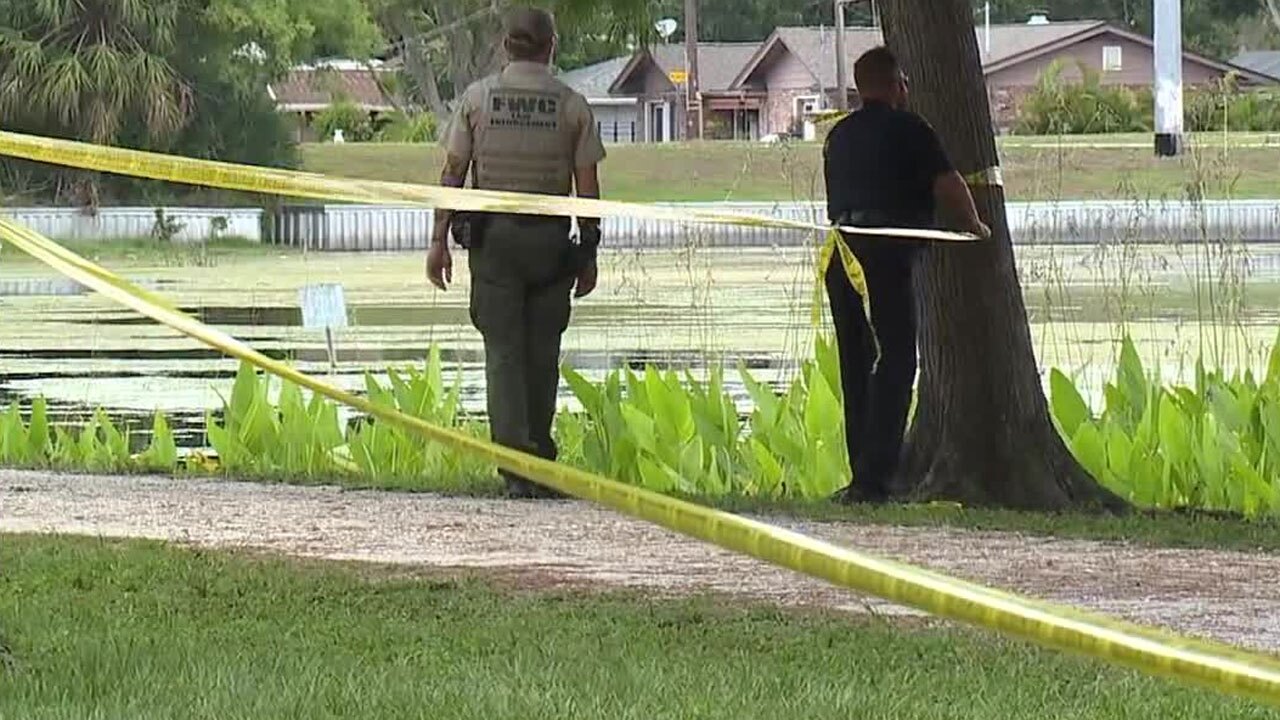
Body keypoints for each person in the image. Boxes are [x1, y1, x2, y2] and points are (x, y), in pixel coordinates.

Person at [426, 6, 605, 499]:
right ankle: (539, 460)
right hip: (551, 244)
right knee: (543, 353)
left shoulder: (478, 99)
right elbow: (587, 189)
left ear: (506, 47)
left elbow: (452, 173)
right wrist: (588, 252)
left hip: (495, 244)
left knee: (503, 352)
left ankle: (514, 464)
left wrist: (439, 240)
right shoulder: (572, 105)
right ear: (551, 47)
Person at [823, 46, 990, 505]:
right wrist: (974, 226)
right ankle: (877, 480)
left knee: (856, 363)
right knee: (896, 361)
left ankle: (862, 473)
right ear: (897, 85)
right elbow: (949, 184)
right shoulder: (912, 129)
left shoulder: (838, 136)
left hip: (842, 259)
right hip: (884, 256)